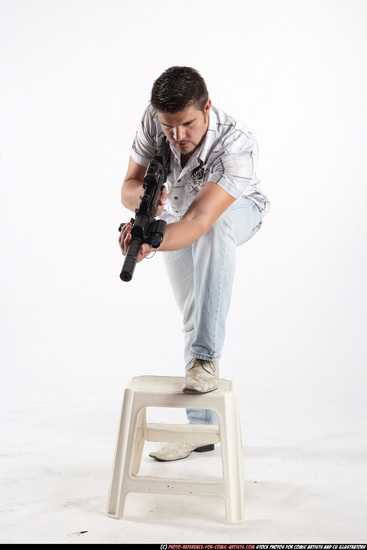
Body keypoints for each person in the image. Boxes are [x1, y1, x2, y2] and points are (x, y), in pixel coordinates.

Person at [119, 66, 269, 462]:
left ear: (206, 108)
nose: (178, 136)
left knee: (215, 230)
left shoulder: (236, 143)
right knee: (192, 310)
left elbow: (202, 221)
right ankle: (202, 429)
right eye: (169, 127)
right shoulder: (155, 122)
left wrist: (156, 238)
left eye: (187, 124)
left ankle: (205, 358)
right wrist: (143, 214)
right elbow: (128, 186)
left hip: (234, 210)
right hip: (180, 216)